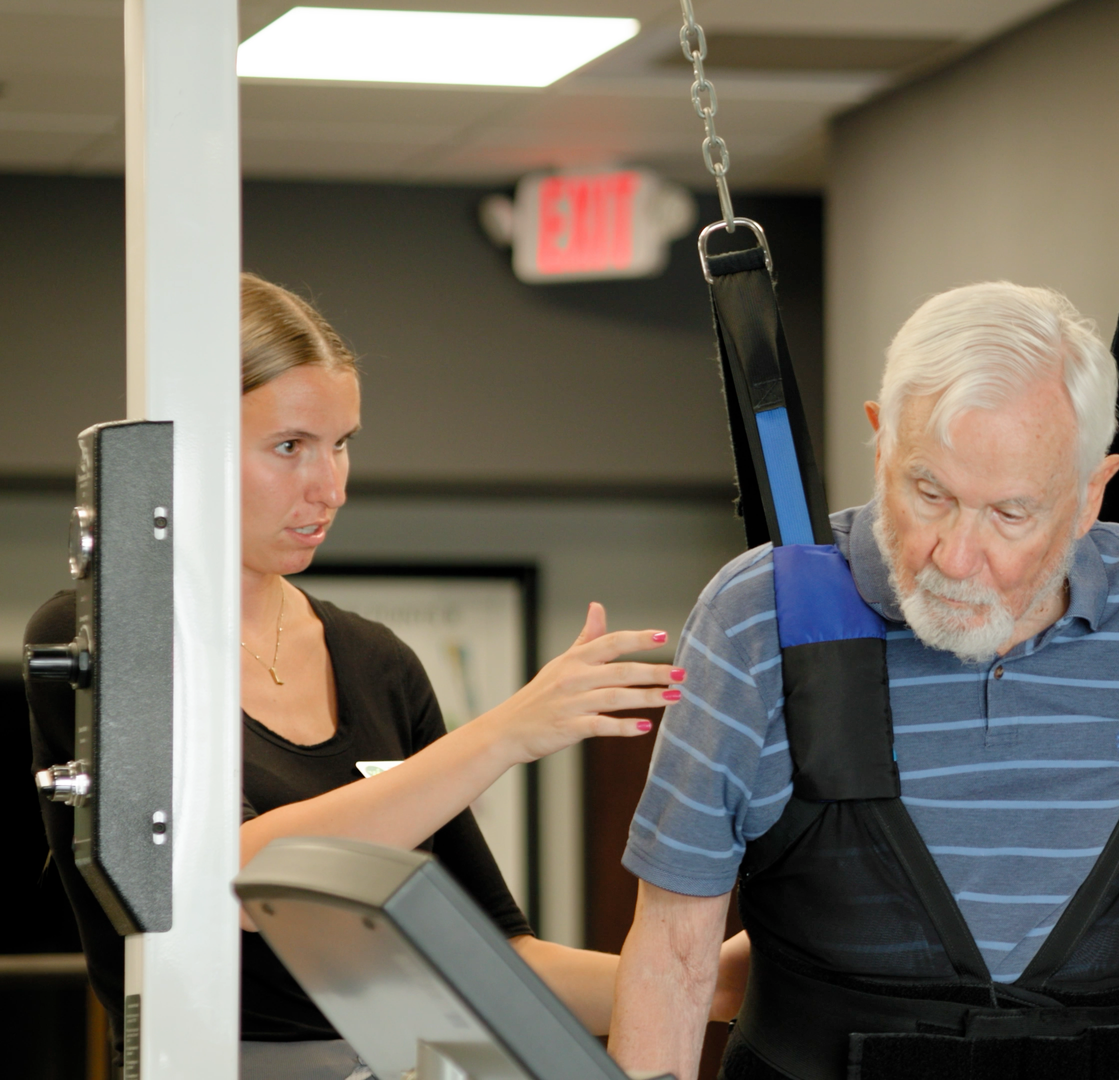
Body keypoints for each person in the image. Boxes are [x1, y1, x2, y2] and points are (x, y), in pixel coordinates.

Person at [606, 281, 1119, 1080]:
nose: (956, 558)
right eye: (929, 492)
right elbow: (675, 961)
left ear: (1092, 494)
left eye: (1009, 514)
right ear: (880, 439)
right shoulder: (760, 617)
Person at [26, 273, 748, 1080]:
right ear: (186, 444)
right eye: (290, 446)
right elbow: (236, 877)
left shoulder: (377, 664)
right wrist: (502, 735)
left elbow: (496, 959)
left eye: (342, 444)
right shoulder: (101, 634)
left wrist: (700, 981)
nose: (329, 486)